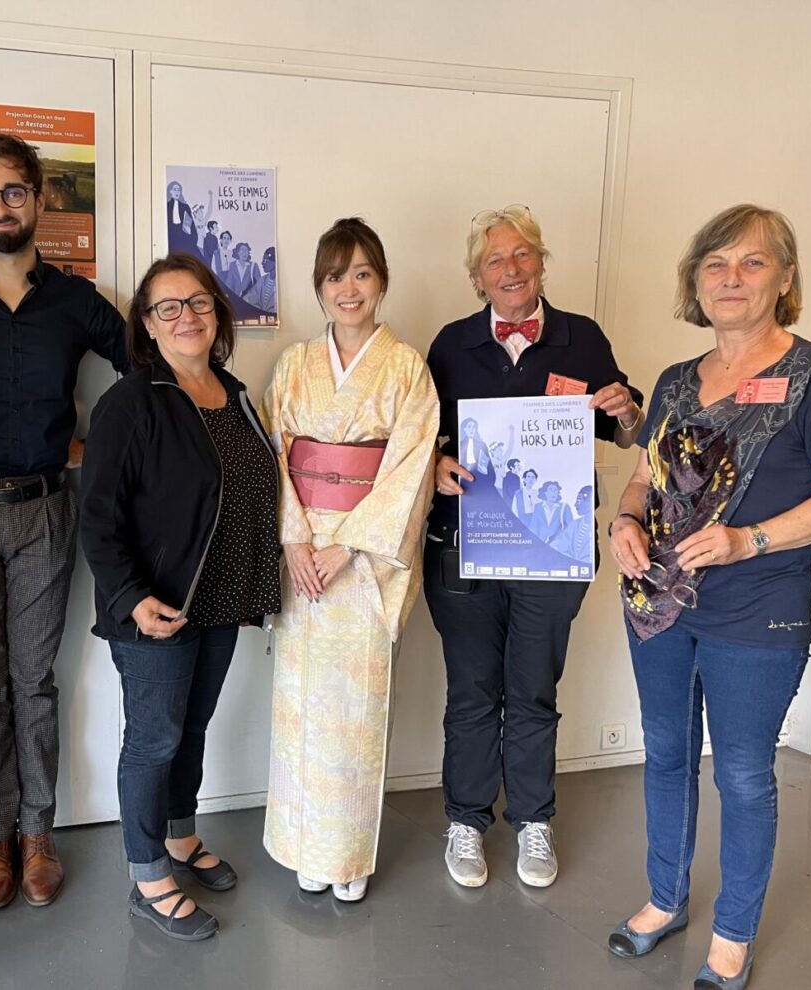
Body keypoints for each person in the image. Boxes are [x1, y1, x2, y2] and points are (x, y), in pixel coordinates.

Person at [608, 205, 811, 989]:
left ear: (785, 279)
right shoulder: (675, 381)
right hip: (658, 602)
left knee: (745, 774)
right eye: (716, 264)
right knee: (666, 755)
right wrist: (623, 521)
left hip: (760, 607)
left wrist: (746, 540)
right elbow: (646, 475)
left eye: (752, 263)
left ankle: (733, 931)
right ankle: (665, 898)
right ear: (697, 281)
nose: (731, 278)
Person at [0, 134, 128, 912]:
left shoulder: (76, 300)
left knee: (34, 683)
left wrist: (96, 445)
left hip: (45, 512)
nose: (0, 206)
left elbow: (143, 369)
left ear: (39, 201)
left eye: (14, 191)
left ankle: (39, 835)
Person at [424, 204, 643, 890]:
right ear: (477, 277)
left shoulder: (582, 339)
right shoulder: (450, 344)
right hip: (464, 546)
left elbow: (627, 431)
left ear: (542, 262)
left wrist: (628, 410)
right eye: (496, 260)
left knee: (533, 689)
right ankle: (465, 819)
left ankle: (533, 821)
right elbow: (419, 440)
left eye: (522, 255)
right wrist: (434, 467)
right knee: (471, 691)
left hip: (555, 551)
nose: (511, 269)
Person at [80, 254, 281, 940]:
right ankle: (146, 874)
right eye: (168, 306)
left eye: (198, 303)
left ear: (217, 315)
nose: (186, 316)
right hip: (155, 608)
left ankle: (178, 837)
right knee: (153, 739)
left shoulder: (233, 391)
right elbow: (97, 518)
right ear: (147, 323)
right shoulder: (130, 402)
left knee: (189, 730)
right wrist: (132, 595)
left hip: (220, 597)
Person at [261, 217, 439, 902]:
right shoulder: (295, 366)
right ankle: (305, 843)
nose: (349, 287)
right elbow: (275, 453)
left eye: (362, 272)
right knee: (301, 705)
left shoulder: (406, 367)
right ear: (320, 286)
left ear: (381, 281)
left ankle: (347, 856)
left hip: (365, 559)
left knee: (355, 709)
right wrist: (296, 541)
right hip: (303, 550)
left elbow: (410, 467)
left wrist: (347, 545)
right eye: (336, 275)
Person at [529, 480, 573, 545]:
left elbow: (571, 528)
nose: (553, 492)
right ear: (545, 492)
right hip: (541, 544)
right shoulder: (538, 507)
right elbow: (534, 527)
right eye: (550, 490)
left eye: (555, 490)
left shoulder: (564, 507)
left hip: (558, 545)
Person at [165, 180, 199, 255]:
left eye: (178, 190)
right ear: (170, 191)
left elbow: (191, 226)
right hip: (171, 236)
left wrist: (190, 233)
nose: (177, 192)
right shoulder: (166, 206)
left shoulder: (185, 207)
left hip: (184, 237)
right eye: (175, 189)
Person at [245, 246, 277, 314]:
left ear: (274, 262)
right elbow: (251, 300)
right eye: (263, 260)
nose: (262, 263)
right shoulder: (262, 280)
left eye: (265, 260)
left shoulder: (281, 282)